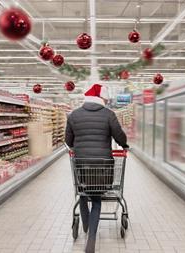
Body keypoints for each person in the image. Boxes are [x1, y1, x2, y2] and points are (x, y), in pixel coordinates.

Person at [65, 83, 129, 253]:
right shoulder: (109, 115)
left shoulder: (73, 115)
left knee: (82, 192)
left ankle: (85, 226)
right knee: (97, 199)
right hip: (102, 166)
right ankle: (91, 240)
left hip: (81, 165)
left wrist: (75, 146)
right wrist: (124, 145)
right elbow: (119, 135)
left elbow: (68, 140)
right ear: (101, 99)